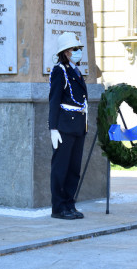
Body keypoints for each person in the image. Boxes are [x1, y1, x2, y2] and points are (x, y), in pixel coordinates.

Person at [48, 32, 88, 220]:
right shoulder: (60, 71)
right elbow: (54, 100)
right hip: (64, 126)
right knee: (61, 168)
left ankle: (69, 204)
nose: (78, 52)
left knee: (73, 169)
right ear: (65, 52)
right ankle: (59, 207)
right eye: (74, 49)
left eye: (79, 49)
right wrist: (53, 128)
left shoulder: (76, 71)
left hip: (78, 126)